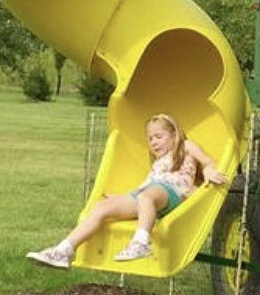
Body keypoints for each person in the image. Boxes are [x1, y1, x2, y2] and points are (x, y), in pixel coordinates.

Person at [26, 113, 229, 268]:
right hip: (148, 194)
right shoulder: (158, 163)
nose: (153, 142)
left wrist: (209, 172)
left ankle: (141, 243)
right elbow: (147, 187)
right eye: (150, 139)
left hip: (172, 192)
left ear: (174, 134)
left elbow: (209, 162)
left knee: (147, 196)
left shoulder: (186, 146)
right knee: (102, 207)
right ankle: (64, 251)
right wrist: (122, 197)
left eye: (159, 136)